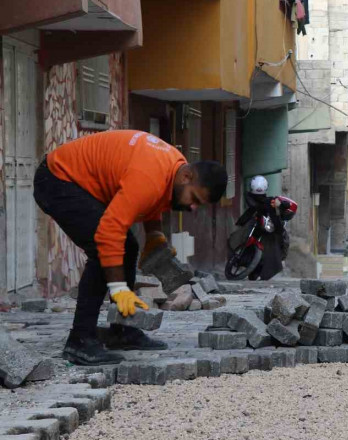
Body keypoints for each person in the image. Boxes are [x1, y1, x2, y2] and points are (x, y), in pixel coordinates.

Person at [33, 130, 228, 366]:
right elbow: (110, 231)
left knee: (128, 248)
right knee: (101, 247)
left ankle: (121, 332)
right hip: (57, 180)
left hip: (78, 182)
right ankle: (80, 341)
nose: (193, 207)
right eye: (194, 198)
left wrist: (154, 235)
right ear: (187, 176)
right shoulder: (149, 174)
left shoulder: (173, 167)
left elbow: (155, 198)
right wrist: (118, 288)